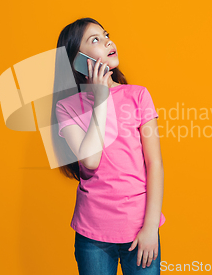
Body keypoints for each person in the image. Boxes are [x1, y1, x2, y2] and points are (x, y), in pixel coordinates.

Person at [52, 18, 165, 275]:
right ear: (77, 60)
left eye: (106, 35)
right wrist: (100, 98)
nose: (108, 41)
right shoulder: (67, 107)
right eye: (95, 40)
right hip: (92, 237)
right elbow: (90, 161)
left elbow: (154, 164)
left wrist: (150, 229)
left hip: (140, 230)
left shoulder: (138, 95)